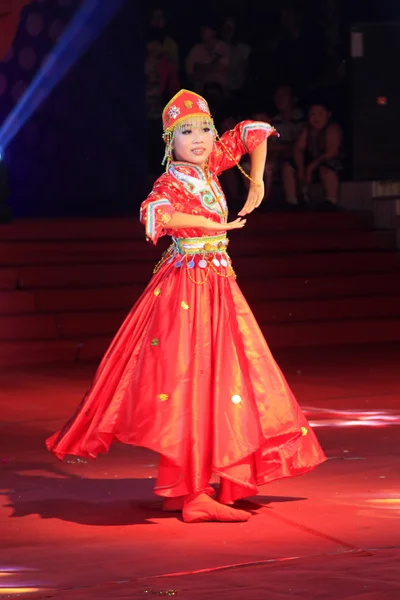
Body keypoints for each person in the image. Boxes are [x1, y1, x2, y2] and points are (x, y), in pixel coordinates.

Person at [46, 89, 326, 523]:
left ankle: (210, 485)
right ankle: (193, 492)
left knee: (228, 377)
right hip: (187, 289)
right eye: (186, 132)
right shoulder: (172, 180)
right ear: (169, 143)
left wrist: (259, 179)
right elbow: (157, 216)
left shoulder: (211, 165)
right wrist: (211, 222)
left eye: (205, 130)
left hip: (216, 282)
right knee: (191, 382)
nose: (198, 139)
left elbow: (255, 132)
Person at [282, 99, 343, 208]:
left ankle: (331, 202)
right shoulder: (307, 129)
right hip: (312, 161)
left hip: (331, 162)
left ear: (328, 115)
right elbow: (298, 149)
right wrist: (301, 167)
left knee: (327, 170)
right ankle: (292, 202)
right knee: (288, 166)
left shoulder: (332, 128)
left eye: (320, 114)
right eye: (312, 114)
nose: (316, 118)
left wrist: (311, 167)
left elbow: (331, 152)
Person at [185, 24, 230, 94]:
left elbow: (224, 66)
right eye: (202, 28)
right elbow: (190, 74)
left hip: (221, 93)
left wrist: (200, 67)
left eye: (206, 28)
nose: (203, 31)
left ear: (214, 31)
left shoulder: (223, 48)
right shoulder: (196, 49)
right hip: (201, 93)